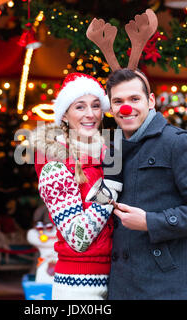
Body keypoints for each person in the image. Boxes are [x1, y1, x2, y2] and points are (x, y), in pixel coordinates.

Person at [105, 68, 187, 299]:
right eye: (118, 101)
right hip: (122, 286)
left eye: (135, 99)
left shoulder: (176, 143)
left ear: (150, 100)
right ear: (111, 107)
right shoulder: (110, 148)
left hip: (165, 287)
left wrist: (152, 222)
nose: (126, 107)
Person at [30, 72, 122, 300]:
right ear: (65, 115)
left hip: (119, 278)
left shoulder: (108, 157)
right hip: (78, 286)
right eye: (80, 107)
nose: (90, 114)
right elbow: (77, 238)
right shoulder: (54, 165)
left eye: (95, 106)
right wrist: (108, 191)